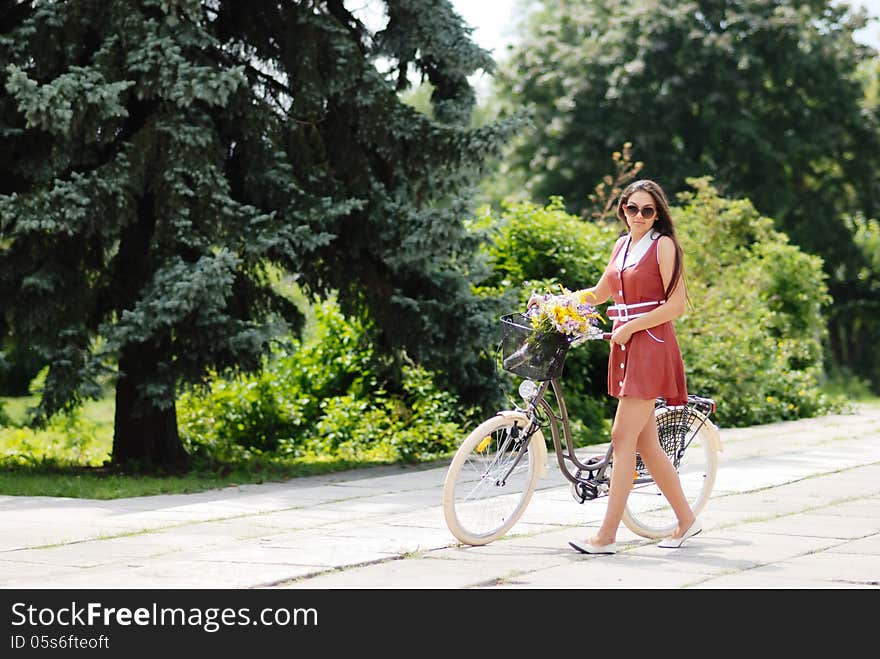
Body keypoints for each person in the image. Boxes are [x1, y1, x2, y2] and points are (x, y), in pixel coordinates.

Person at [534, 179, 701, 554]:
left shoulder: (664, 246)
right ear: (622, 209)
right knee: (646, 444)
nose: (639, 216)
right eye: (632, 208)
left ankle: (607, 536)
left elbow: (675, 306)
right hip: (625, 345)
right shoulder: (622, 245)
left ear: (657, 214)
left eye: (647, 210)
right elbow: (598, 294)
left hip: (650, 345)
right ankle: (687, 520)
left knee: (621, 438)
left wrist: (629, 327)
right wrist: (554, 302)